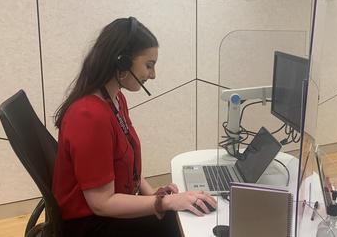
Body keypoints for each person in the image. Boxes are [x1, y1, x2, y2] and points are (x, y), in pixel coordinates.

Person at [52, 17, 217, 237]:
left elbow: (128, 168)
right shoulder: (89, 116)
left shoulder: (115, 99)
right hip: (92, 225)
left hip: (109, 213)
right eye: (149, 65)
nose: (153, 74)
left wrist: (156, 197)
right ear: (122, 61)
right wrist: (163, 203)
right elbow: (102, 203)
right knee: (183, 228)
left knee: (185, 217)